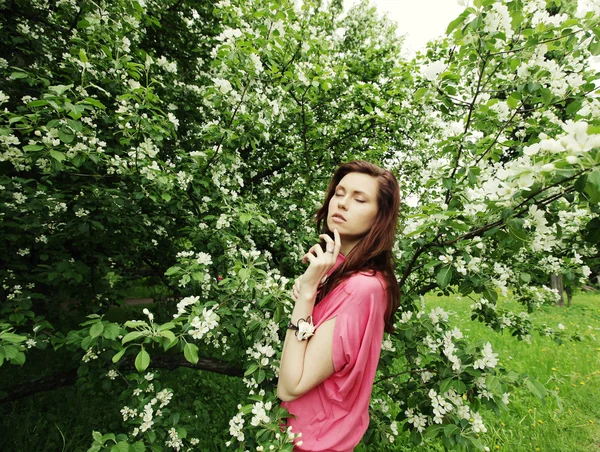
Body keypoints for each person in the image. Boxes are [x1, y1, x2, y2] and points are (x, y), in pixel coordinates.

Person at [277, 160, 401, 451]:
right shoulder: (342, 270)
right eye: (339, 193)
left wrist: (307, 293)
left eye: (359, 199)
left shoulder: (361, 287)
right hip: (303, 434)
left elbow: (290, 387)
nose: (342, 204)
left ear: (379, 216)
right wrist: (313, 283)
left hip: (315, 443)